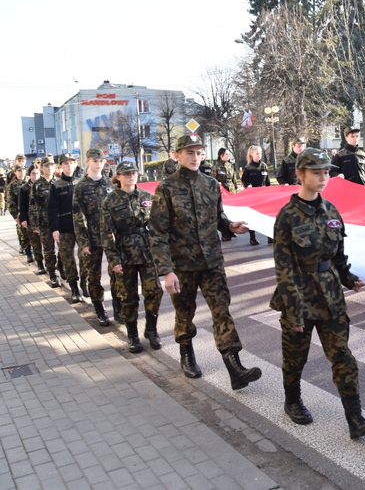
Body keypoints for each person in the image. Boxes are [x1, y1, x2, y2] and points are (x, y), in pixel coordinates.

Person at [269, 148, 365, 439]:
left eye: (326, 171)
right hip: (299, 296)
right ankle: (292, 400)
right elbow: (284, 267)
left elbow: (338, 254)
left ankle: (355, 419)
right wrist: (293, 311)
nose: (323, 177)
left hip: (330, 297)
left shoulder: (331, 210)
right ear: (300, 174)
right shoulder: (287, 217)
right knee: (295, 357)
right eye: (316, 171)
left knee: (343, 356)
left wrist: (348, 277)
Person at [149, 134, 262, 390]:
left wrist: (229, 225)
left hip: (211, 262)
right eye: (189, 152)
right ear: (177, 155)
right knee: (184, 312)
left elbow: (218, 217)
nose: (195, 157)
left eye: (199, 152)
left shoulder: (210, 184)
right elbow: (157, 232)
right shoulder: (166, 188)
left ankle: (235, 368)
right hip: (182, 265)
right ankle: (187, 354)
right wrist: (166, 271)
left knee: (222, 311)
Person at [101, 161, 163, 352]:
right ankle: (132, 335)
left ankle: (151, 330)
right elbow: (106, 232)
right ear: (118, 177)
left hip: (147, 251)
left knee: (154, 292)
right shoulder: (109, 202)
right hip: (124, 252)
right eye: (126, 173)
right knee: (128, 296)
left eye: (134, 172)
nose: (131, 176)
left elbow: (157, 225)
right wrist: (113, 259)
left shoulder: (147, 196)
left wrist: (162, 252)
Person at [73, 148, 118, 326]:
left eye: (101, 160)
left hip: (111, 237)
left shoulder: (110, 183)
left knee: (116, 273)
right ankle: (99, 310)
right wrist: (83, 241)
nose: (98, 163)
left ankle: (118, 308)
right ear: (87, 162)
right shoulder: (81, 187)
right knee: (94, 276)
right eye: (94, 160)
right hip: (92, 237)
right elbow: (77, 216)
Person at [49, 154, 84, 303]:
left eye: (72, 162)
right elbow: (52, 208)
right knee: (68, 259)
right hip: (64, 228)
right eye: (66, 163)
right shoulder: (56, 185)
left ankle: (85, 281)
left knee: (86, 258)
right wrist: (54, 228)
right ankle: (74, 288)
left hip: (82, 228)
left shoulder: (82, 183)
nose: (69, 165)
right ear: (61, 166)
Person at [31, 156, 60, 288]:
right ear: (41, 167)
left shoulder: (59, 182)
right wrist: (34, 224)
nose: (49, 168)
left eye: (51, 165)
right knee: (49, 250)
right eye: (46, 165)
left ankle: (61, 267)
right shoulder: (37, 185)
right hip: (44, 222)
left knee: (63, 249)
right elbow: (33, 205)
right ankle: (53, 275)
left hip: (59, 221)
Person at [240, 145, 271, 245]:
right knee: (253, 217)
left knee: (266, 217)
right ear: (251, 154)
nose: (259, 155)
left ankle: (270, 236)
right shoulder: (248, 168)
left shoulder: (264, 166)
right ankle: (252, 238)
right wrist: (248, 185)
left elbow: (267, 182)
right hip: (253, 197)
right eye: (257, 153)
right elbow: (244, 179)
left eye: (260, 153)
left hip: (264, 196)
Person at [19, 165, 43, 272]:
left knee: (47, 246)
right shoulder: (24, 188)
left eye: (37, 173)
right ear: (29, 174)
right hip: (31, 220)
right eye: (33, 173)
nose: (35, 176)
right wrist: (23, 218)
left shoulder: (43, 186)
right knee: (36, 244)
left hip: (44, 220)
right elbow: (22, 205)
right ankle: (40, 264)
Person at [7, 165, 33, 262]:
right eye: (19, 170)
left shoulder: (29, 183)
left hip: (31, 212)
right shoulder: (12, 185)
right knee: (24, 234)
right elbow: (10, 202)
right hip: (20, 213)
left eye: (23, 170)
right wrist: (15, 216)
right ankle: (28, 253)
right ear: (15, 172)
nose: (21, 172)